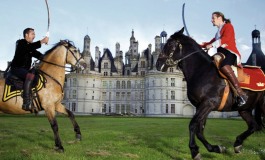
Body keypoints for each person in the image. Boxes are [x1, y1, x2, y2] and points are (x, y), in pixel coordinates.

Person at [201, 11, 248, 108]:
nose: (211, 20)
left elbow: (226, 39)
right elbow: (209, 43)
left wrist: (212, 45)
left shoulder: (228, 26)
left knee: (223, 65)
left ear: (219, 17)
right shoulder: (217, 32)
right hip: (222, 53)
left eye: (213, 18)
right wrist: (196, 44)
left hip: (230, 53)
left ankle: (241, 94)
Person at [10, 28, 49, 111]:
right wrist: (42, 41)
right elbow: (29, 48)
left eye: (34, 34)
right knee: (30, 75)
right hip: (16, 69)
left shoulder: (30, 48)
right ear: (26, 35)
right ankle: (26, 102)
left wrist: (50, 57)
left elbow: (39, 55)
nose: (34, 36)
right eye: (32, 34)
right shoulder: (21, 43)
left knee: (36, 76)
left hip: (24, 70)